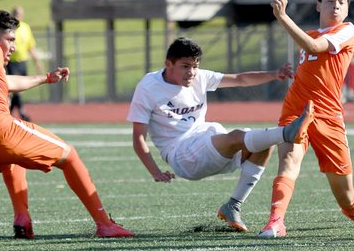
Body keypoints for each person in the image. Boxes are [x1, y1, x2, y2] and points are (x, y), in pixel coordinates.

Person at [0, 10, 133, 239]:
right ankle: (105, 224)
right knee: (70, 155)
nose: (14, 47)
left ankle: (22, 219)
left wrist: (45, 78)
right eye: (10, 39)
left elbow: (9, 81)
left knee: (13, 161)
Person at [127, 36, 314, 232]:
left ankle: (233, 205)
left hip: (206, 140)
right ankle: (286, 133)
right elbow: (138, 137)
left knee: (263, 145)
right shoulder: (148, 87)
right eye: (185, 66)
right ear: (168, 64)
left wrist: (274, 74)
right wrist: (154, 171)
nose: (191, 72)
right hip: (181, 154)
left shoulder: (199, 77)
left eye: (195, 65)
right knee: (236, 136)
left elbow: (239, 79)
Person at [259, 0, 354, 238]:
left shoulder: (347, 30)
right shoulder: (311, 33)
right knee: (288, 160)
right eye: (330, 0)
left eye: (342, 2)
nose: (336, 5)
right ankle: (275, 222)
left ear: (348, 8)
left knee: (344, 191)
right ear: (319, 5)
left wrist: (282, 17)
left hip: (328, 115)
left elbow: (313, 47)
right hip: (296, 110)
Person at [6, 6, 44, 121]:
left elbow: (30, 46)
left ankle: (10, 113)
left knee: (20, 90)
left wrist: (36, 60)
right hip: (11, 62)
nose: (18, 15)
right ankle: (21, 112)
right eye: (16, 13)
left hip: (22, 61)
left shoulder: (26, 27)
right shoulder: (9, 28)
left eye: (19, 13)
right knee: (14, 89)